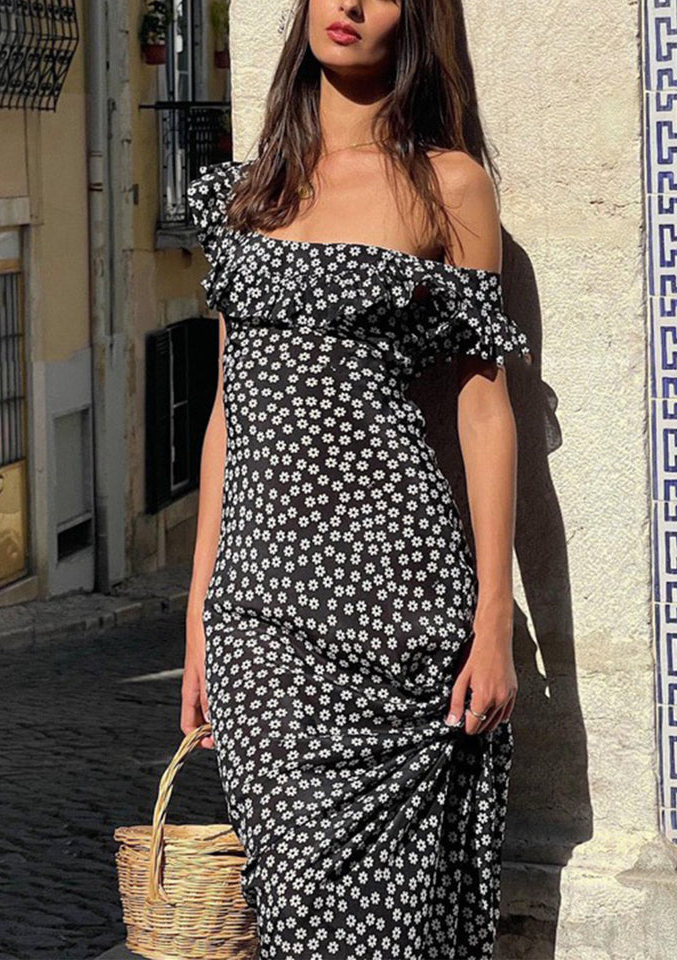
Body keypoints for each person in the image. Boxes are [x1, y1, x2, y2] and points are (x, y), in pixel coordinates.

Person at [181, 1, 532, 957]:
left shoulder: (450, 186)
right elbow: (225, 414)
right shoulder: (242, 195)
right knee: (300, 908)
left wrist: (492, 623)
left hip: (402, 605)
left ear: (414, 22)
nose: (348, 5)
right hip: (261, 616)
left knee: (397, 924)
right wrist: (199, 608)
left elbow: (484, 409)